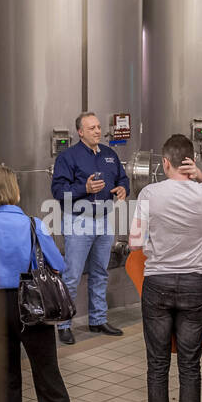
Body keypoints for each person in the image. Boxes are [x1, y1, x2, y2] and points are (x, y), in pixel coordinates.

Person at [0, 164, 79, 402]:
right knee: (47, 374)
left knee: (4, 381)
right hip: (32, 304)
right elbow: (58, 263)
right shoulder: (34, 224)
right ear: (14, 190)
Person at [129, 135, 202, 402]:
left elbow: (135, 242)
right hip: (194, 283)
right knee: (190, 366)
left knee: (157, 366)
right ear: (191, 162)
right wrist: (201, 175)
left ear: (165, 163)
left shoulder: (150, 193)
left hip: (157, 283)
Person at [51, 112, 129, 345]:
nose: (97, 131)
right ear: (80, 132)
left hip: (104, 220)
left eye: (98, 127)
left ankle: (97, 319)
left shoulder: (109, 154)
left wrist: (124, 189)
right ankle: (64, 324)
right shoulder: (68, 157)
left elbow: (122, 178)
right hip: (77, 220)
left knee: (100, 273)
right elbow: (57, 192)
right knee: (72, 276)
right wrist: (83, 188)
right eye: (92, 128)